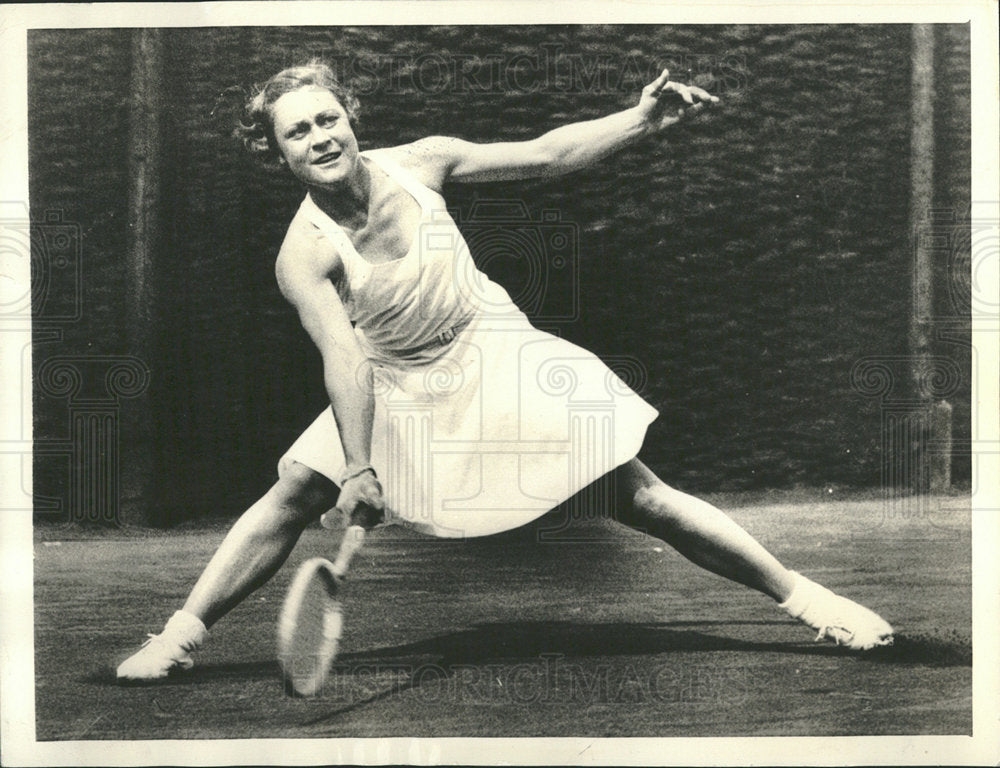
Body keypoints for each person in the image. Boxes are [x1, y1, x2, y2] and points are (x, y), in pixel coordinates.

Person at [117, 60, 893, 681]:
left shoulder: (423, 165)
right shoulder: (304, 255)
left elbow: (548, 156)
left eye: (328, 118)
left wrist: (640, 118)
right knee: (295, 490)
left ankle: (811, 601)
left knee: (639, 496)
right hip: (397, 383)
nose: (320, 137)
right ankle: (178, 638)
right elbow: (346, 359)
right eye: (298, 132)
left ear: (350, 119)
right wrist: (358, 466)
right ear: (276, 150)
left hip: (493, 349)